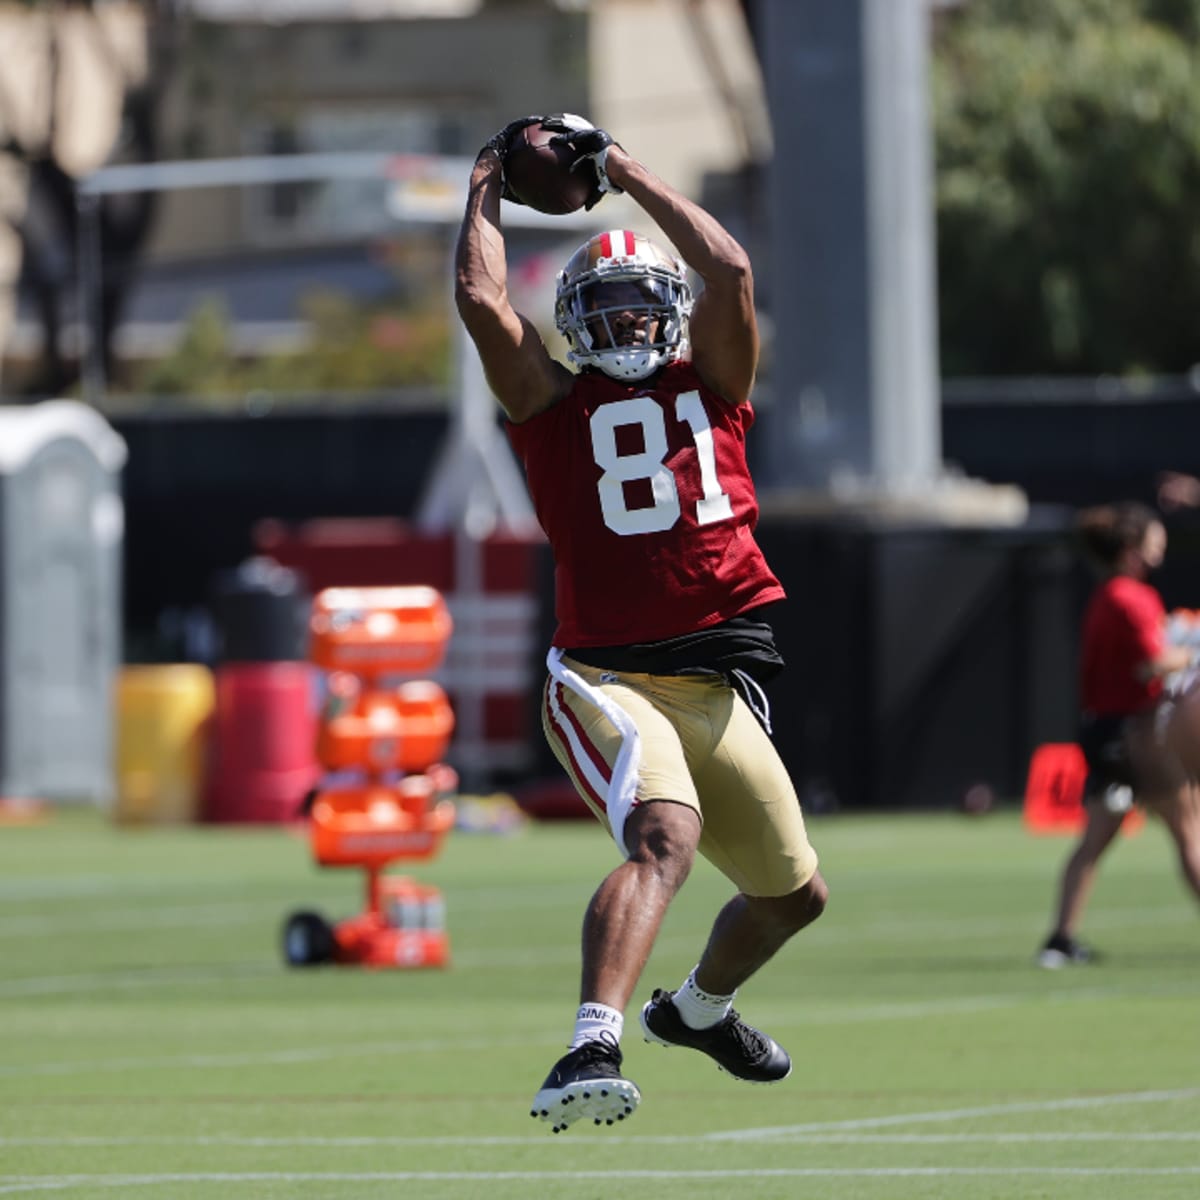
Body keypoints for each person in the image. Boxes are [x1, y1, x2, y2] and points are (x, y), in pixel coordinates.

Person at [454, 114, 828, 1131]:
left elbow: (732, 270)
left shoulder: (718, 385)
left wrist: (620, 169)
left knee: (795, 895)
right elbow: (482, 298)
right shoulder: (547, 403)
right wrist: (488, 175)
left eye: (637, 305)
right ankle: (591, 1042)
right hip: (605, 676)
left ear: (665, 313)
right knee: (666, 837)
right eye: (604, 309)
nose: (622, 324)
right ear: (577, 320)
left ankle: (699, 1011)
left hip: (710, 683)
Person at [1037, 501, 1200, 967]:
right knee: (1190, 831)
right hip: (1136, 734)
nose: (1159, 555)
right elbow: (1152, 661)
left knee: (1096, 837)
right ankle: (1060, 938)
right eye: (1153, 545)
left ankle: (1060, 939)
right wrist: (1191, 654)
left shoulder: (1110, 594)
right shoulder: (1130, 596)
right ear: (1132, 548)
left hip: (1104, 730)